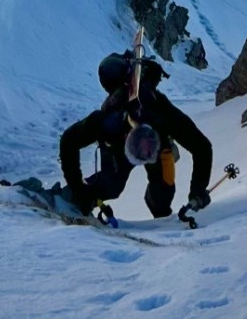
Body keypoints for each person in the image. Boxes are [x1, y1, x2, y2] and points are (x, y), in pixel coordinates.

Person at [59, 50, 213, 220]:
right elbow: (68, 141)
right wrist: (78, 190)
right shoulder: (109, 122)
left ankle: (162, 219)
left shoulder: (163, 115)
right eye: (137, 150)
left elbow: (202, 147)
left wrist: (197, 191)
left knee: (163, 191)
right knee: (110, 187)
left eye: (147, 149)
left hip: (154, 148)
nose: (142, 153)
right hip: (118, 147)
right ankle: (74, 198)